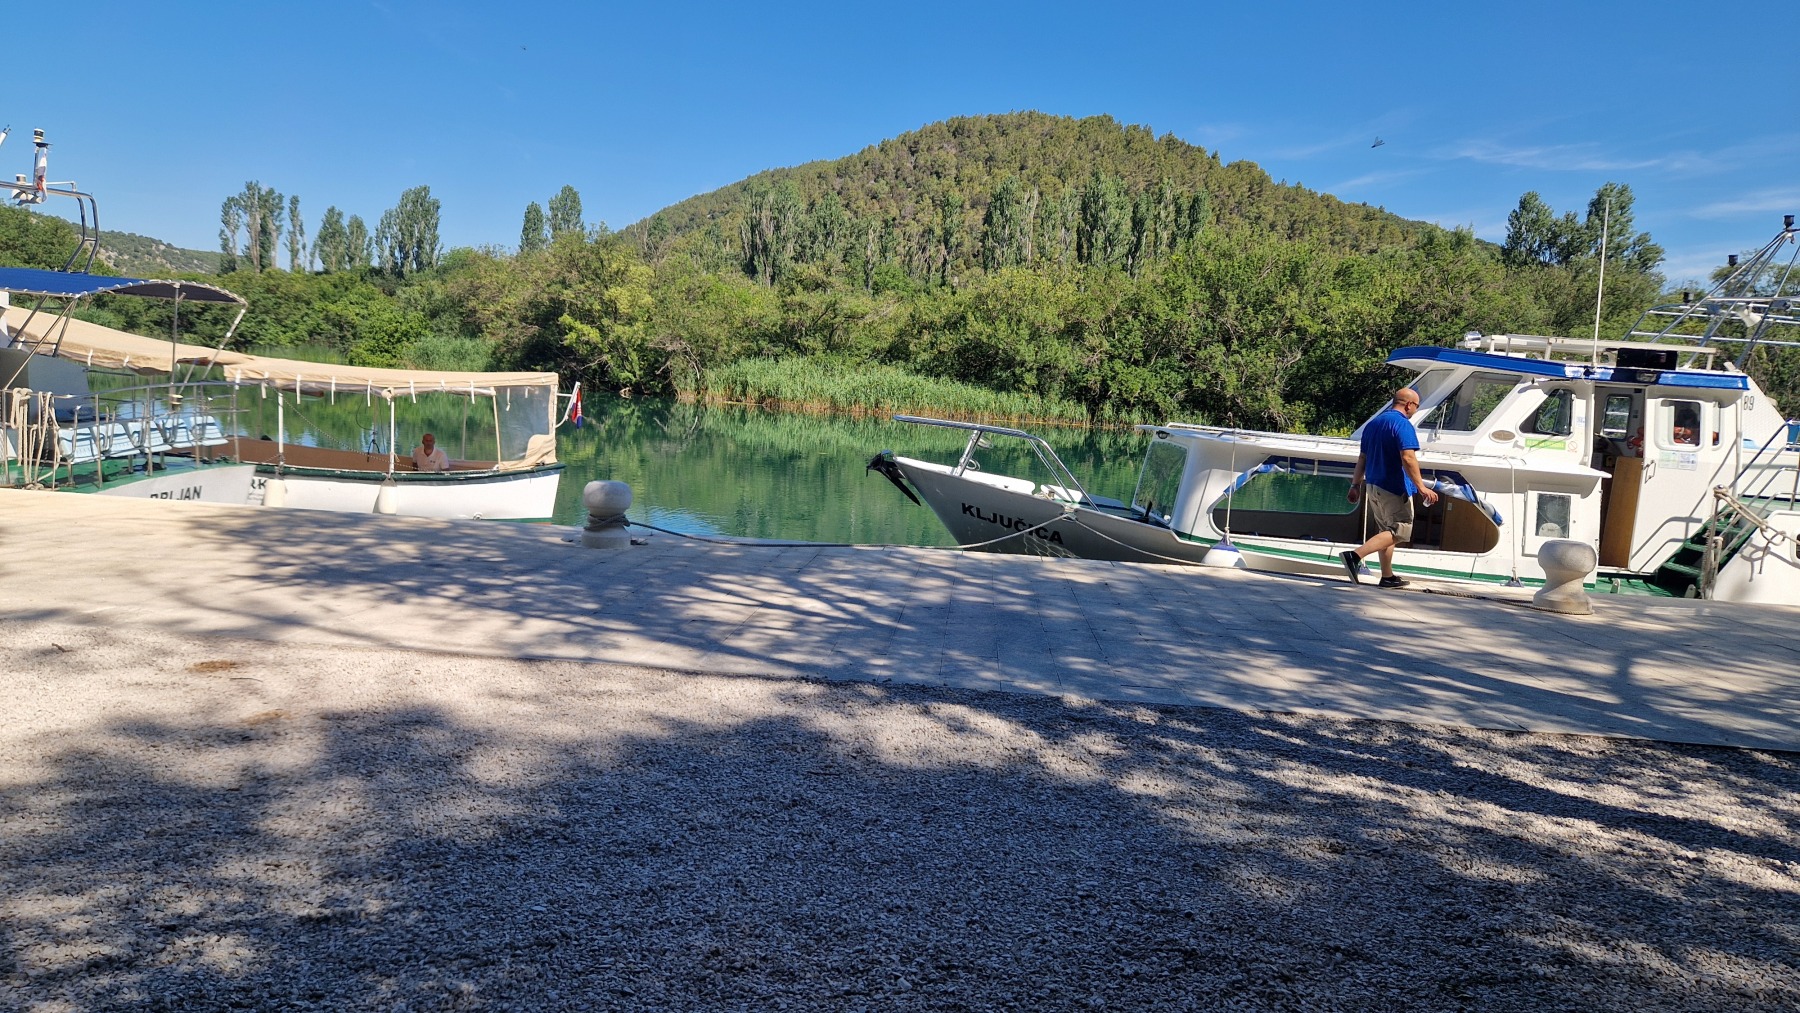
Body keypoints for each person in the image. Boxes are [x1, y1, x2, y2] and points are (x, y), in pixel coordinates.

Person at [1341, 388, 1438, 588]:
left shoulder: (1373, 424)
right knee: (1400, 530)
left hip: (1373, 486)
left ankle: (1387, 576)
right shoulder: (1402, 424)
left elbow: (1362, 458)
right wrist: (1421, 487)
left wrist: (1355, 485)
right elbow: (1408, 458)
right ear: (1409, 405)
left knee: (1387, 532)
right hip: (1393, 487)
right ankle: (1354, 556)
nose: (1415, 411)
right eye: (1416, 406)